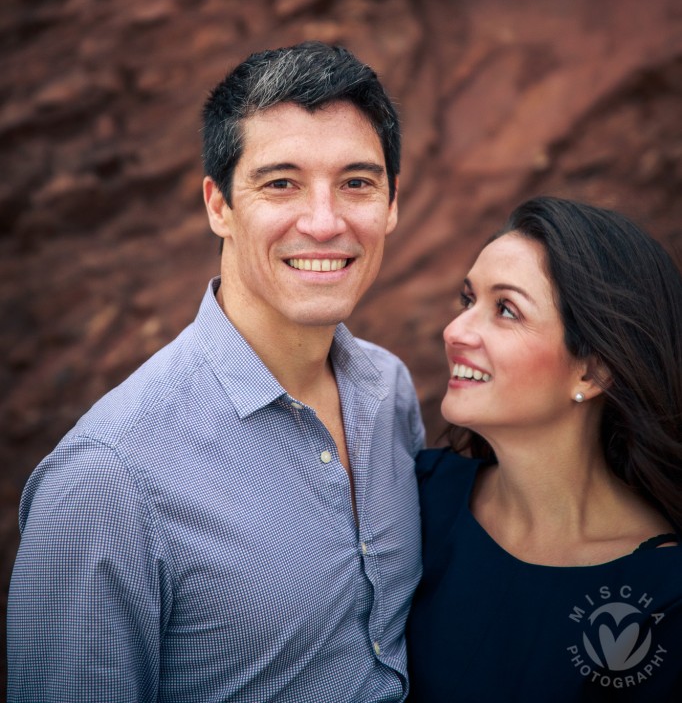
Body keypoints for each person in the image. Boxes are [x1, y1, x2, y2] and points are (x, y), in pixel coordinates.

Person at [7, 41, 424, 703]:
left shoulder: (389, 391)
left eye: (357, 182)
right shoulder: (106, 478)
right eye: (281, 183)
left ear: (392, 204)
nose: (324, 221)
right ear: (218, 206)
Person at [407, 196, 682, 702]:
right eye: (468, 301)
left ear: (593, 371)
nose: (455, 330)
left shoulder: (664, 599)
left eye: (505, 310)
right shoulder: (417, 498)